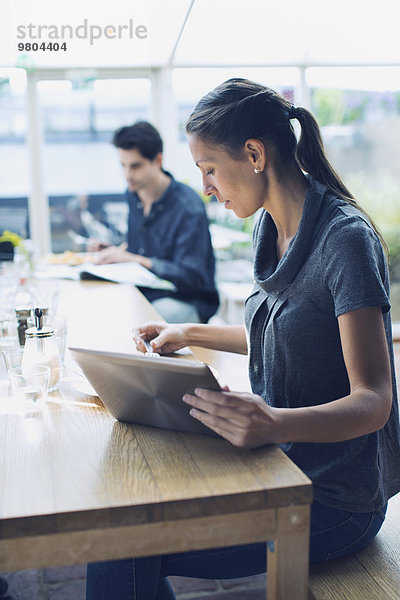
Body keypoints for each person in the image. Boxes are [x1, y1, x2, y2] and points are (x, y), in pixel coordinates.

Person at [86, 79, 400, 599]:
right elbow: (285, 332)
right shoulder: (269, 228)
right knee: (119, 527)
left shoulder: (345, 240)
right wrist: (187, 332)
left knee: (124, 546)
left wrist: (273, 421)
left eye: (209, 169)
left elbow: (375, 402)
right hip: (280, 464)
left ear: (254, 154)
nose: (206, 187)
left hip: (334, 501)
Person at [90, 121, 219, 323]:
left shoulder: (187, 206)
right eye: (123, 165)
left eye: (135, 166)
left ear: (158, 160)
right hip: (147, 293)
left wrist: (136, 260)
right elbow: (140, 252)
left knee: (137, 321)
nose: (127, 175)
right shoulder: (134, 195)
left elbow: (192, 276)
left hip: (185, 299)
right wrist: (115, 252)